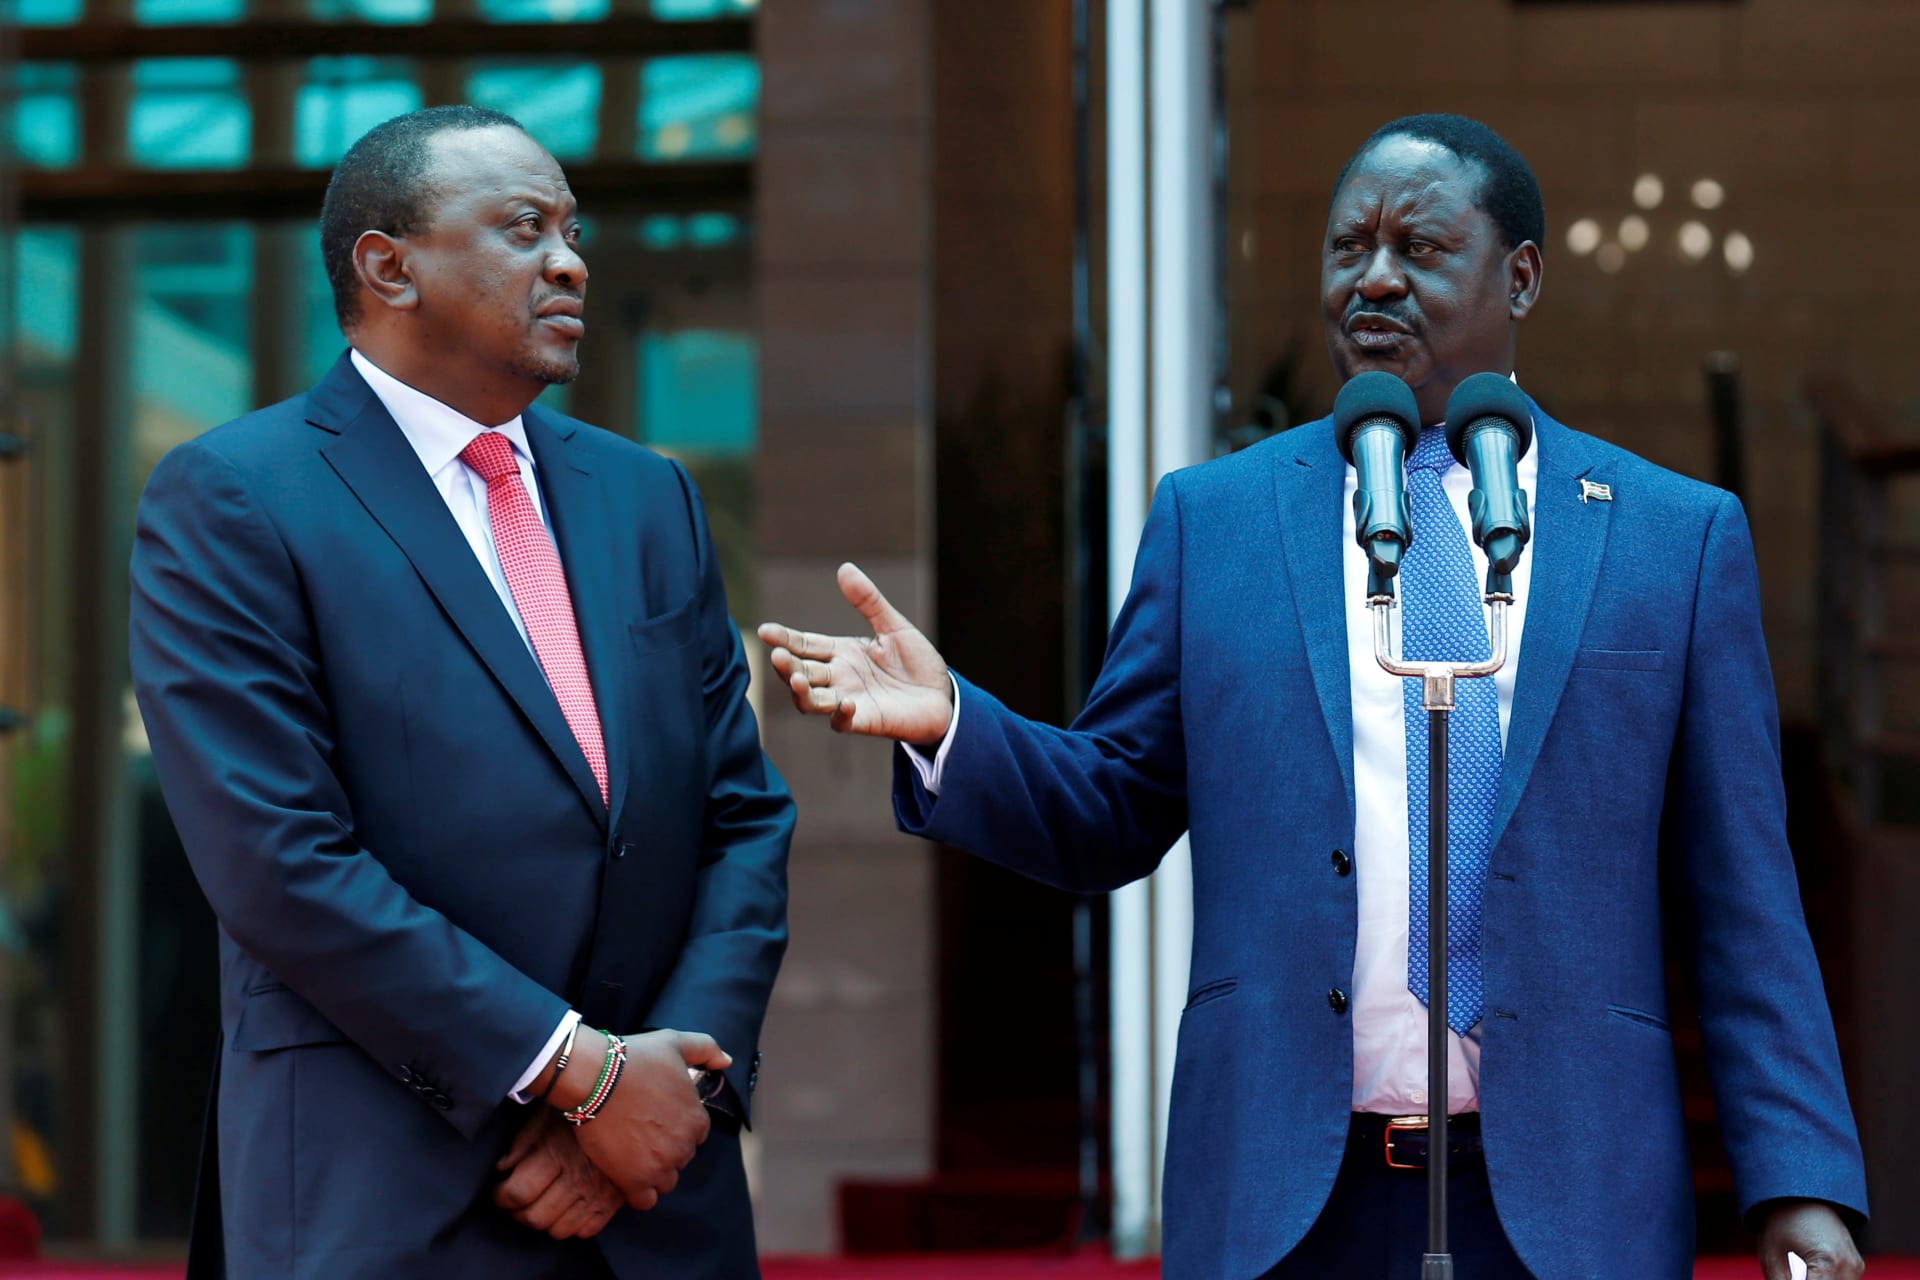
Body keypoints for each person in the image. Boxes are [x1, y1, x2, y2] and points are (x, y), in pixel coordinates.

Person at [758, 115, 1868, 1280]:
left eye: (1421, 246)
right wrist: (954, 728)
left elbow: (1746, 894)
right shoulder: (1218, 520)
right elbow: (1114, 802)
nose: (1374, 276)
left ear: (1521, 275)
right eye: (1348, 247)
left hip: (1574, 1201)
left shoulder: (1671, 538)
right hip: (1287, 1201)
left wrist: (1799, 1182)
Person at [130, 105, 793, 1279]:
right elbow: (279, 863)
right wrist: (581, 1072)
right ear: (390, 265)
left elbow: (740, 819)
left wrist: (665, 1090)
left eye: (573, 229)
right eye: (525, 227)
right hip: (386, 1191)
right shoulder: (236, 496)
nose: (572, 259)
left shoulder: (649, 499)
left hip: (652, 1197)